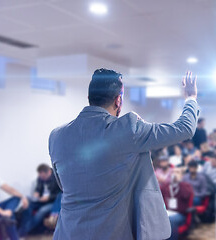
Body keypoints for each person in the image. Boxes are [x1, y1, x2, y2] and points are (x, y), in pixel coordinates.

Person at [48, 69, 199, 240]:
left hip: (67, 233)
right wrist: (190, 98)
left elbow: (63, 184)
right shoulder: (128, 129)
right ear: (118, 100)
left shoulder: (56, 136)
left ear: (90, 98)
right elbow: (185, 129)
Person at [19, 164, 61, 236]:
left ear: (48, 172)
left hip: (52, 201)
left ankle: (23, 231)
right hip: (41, 200)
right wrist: (36, 193)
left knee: (42, 211)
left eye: (43, 176)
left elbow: (60, 194)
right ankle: (25, 228)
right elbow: (38, 188)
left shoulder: (57, 178)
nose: (42, 178)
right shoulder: (40, 178)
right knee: (26, 206)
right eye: (40, 176)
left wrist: (48, 198)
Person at [0, 165, 29, 240]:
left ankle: (7, 214)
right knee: (9, 216)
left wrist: (23, 197)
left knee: (16, 198)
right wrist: (2, 212)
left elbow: (10, 189)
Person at [161, 168, 194, 240]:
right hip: (167, 212)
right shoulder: (166, 186)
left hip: (180, 214)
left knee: (170, 220)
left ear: (182, 176)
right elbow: (158, 195)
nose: (175, 174)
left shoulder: (186, 186)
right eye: (173, 172)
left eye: (177, 172)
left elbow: (186, 195)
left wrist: (179, 182)